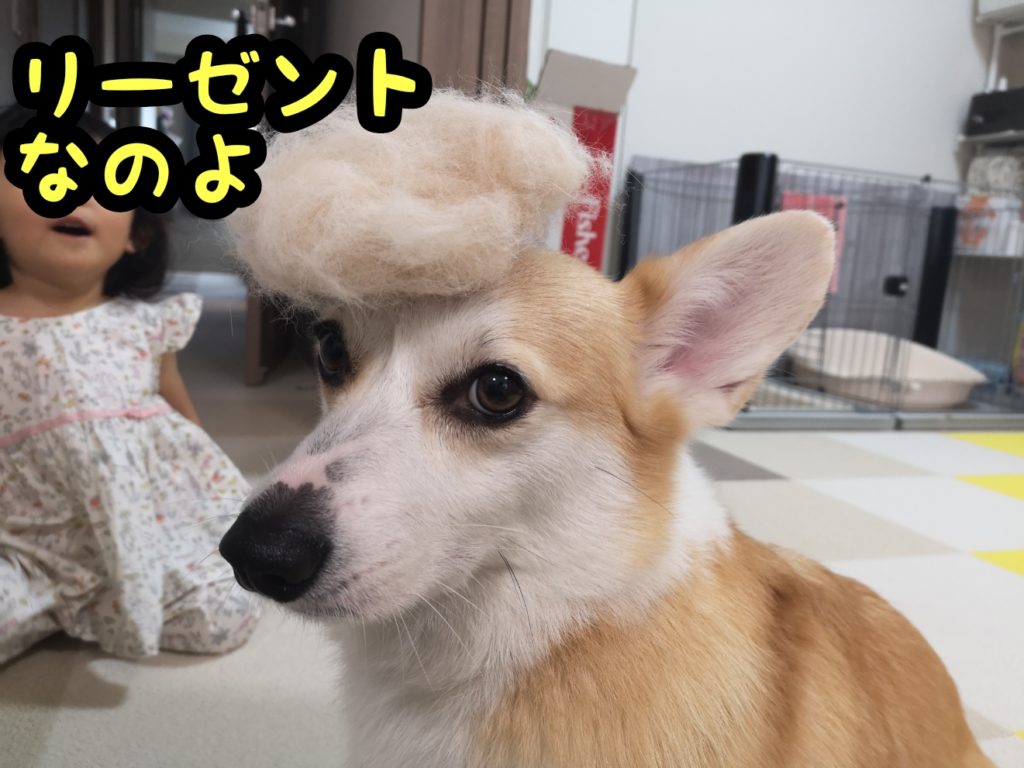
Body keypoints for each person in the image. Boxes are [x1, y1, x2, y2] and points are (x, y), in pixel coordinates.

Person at [0, 104, 258, 664]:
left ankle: (111, 597)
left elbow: (182, 421)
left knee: (228, 616)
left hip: (140, 528)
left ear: (136, 235)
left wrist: (211, 498)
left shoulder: (146, 324)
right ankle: (59, 604)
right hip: (23, 543)